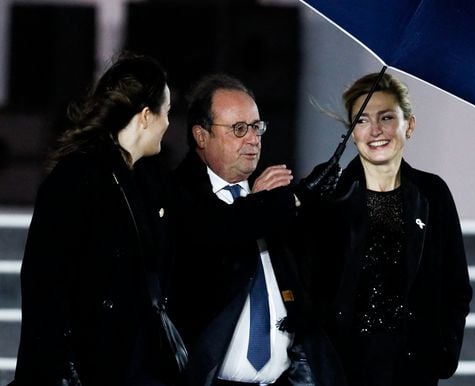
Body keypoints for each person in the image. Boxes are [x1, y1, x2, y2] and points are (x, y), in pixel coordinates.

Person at [8, 52, 188, 386]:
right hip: (86, 370)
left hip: (131, 367)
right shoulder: (78, 176)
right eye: (166, 112)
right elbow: (44, 285)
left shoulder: (145, 181)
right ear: (146, 116)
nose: (168, 123)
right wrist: (63, 371)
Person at [170, 73, 346, 386]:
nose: (252, 139)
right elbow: (216, 237)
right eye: (239, 129)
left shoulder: (272, 203)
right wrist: (274, 202)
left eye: (256, 127)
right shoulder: (178, 197)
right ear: (201, 136)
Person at [303, 72, 473, 386]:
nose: (375, 130)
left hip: (412, 370)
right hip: (341, 370)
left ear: (409, 125)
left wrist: (444, 352)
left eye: (386, 117)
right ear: (351, 132)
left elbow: (456, 286)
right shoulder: (330, 195)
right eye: (363, 120)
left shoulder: (433, 194)